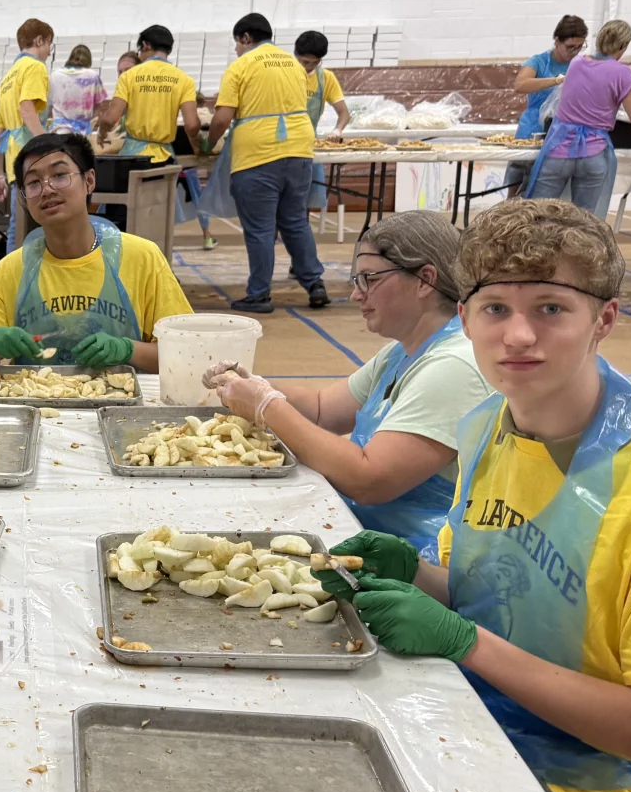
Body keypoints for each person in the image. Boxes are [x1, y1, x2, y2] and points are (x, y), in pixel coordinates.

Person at [319, 200, 631, 792]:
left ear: (603, 319)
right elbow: (490, 592)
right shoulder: (488, 428)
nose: (518, 336)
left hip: (590, 785)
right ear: (465, 319)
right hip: (473, 714)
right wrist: (417, 575)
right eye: (494, 310)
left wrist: (464, 642)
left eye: (550, 308)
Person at [207, 212, 491, 561]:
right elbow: (323, 408)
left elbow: (368, 479)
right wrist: (250, 383)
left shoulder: (454, 366)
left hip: (417, 561)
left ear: (424, 280)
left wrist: (267, 405)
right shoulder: (404, 351)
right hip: (371, 532)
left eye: (369, 279)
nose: (356, 294)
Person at [0, 132, 193, 373]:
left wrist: (128, 349)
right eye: (33, 183)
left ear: (89, 181)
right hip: (37, 403)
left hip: (123, 405)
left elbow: (184, 354)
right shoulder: (13, 268)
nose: (47, 189)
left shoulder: (142, 258)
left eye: (60, 175)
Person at [202, 12, 326, 314]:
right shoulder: (295, 66)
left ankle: (259, 294)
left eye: (237, 43)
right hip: (299, 151)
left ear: (246, 38)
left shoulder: (241, 67)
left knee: (260, 229)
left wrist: (207, 145)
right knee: (295, 221)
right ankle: (315, 283)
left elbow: (222, 117)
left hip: (258, 155)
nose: (236, 49)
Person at [95, 23, 217, 249]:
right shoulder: (183, 79)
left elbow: (111, 118)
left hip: (132, 160)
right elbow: (191, 125)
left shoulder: (130, 76)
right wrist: (199, 147)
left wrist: (102, 133)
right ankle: (158, 268)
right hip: (163, 160)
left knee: (124, 219)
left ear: (146, 45)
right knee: (158, 222)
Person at [522, 19, 631, 217]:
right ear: (624, 46)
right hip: (593, 152)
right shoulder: (623, 74)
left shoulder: (576, 63)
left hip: (560, 147)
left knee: (537, 215)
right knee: (585, 223)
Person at [0, 18, 55, 248]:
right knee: (37, 224)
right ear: (39, 40)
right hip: (32, 157)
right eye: (49, 44)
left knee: (18, 225)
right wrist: (48, 144)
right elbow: (26, 108)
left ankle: (14, 278)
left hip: (13, 159)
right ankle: (24, 279)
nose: (49, 52)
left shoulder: (8, 77)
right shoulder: (35, 67)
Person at [296, 29, 350, 222]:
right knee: (282, 195)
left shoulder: (325, 78)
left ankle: (299, 229)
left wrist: (337, 129)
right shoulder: (284, 75)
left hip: (309, 143)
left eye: (315, 63)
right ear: (296, 56)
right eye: (305, 62)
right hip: (283, 143)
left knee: (307, 195)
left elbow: (344, 113)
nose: (309, 67)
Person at [48, 45, 110, 136]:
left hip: (59, 131)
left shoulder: (54, 75)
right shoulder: (92, 76)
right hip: (82, 131)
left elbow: (49, 105)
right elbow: (99, 104)